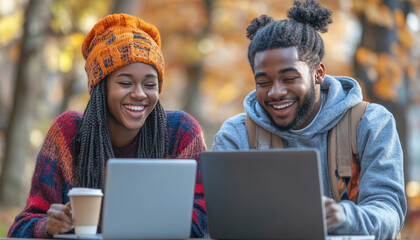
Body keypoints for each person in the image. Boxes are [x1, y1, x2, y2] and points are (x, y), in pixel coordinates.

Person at [212, 0, 406, 239]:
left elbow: (390, 213)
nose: (275, 92)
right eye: (263, 83)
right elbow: (222, 225)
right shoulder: (237, 135)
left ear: (319, 74)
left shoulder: (370, 123)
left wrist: (345, 217)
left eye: (289, 78)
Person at [8, 13, 208, 238]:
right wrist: (47, 226)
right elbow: (20, 230)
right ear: (101, 88)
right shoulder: (67, 134)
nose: (140, 94)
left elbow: (206, 218)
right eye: (125, 83)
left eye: (150, 84)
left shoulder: (181, 133)